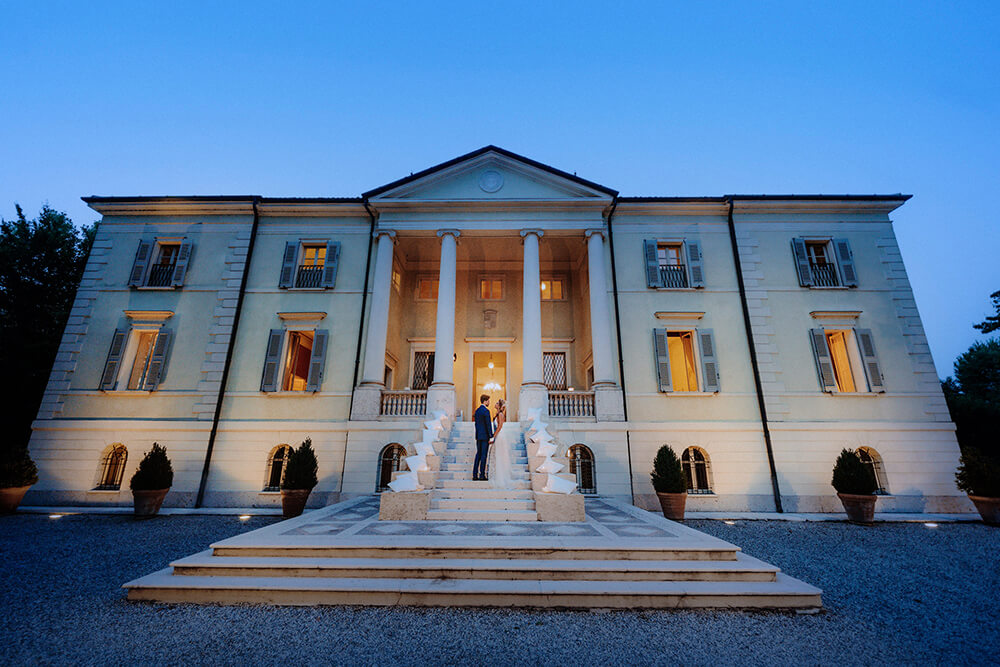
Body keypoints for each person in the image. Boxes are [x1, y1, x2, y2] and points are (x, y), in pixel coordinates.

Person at [489, 399, 513, 489]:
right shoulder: (498, 414)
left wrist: (493, 437)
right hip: (499, 435)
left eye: (496, 403)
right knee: (497, 455)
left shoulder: (500, 414)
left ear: (499, 405)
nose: (495, 404)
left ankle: (501, 477)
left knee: (499, 455)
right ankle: (498, 474)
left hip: (500, 435)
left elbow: (500, 426)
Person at [473, 394, 493, 481]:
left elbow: (476, 424)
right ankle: (482, 475)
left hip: (478, 436)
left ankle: (474, 475)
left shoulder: (477, 411)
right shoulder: (486, 411)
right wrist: (491, 436)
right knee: (484, 455)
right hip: (485, 437)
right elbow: (488, 425)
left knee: (478, 455)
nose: (489, 402)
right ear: (485, 401)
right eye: (488, 401)